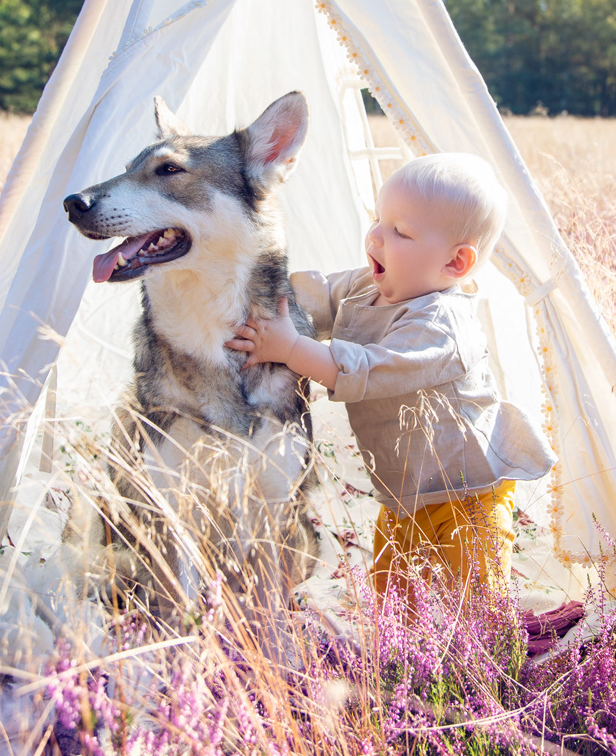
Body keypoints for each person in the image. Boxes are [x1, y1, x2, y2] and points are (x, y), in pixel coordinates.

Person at [225, 153, 555, 605]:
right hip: (404, 492)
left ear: (456, 263)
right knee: (393, 595)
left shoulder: (442, 328)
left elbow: (366, 369)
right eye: (379, 220)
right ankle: (403, 659)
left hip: (467, 494)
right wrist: (256, 295)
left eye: (400, 231)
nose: (376, 236)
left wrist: (290, 349)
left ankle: (487, 660)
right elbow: (317, 295)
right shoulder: (371, 286)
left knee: (478, 603)